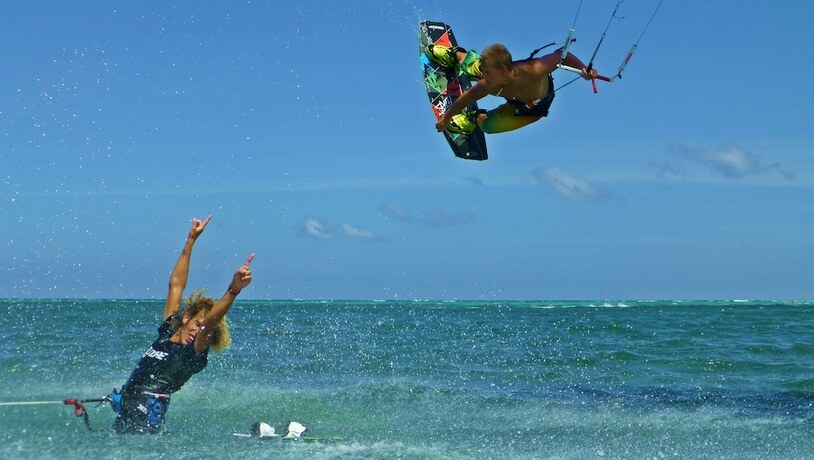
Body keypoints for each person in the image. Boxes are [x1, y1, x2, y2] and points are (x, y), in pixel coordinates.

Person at [111, 215, 254, 434]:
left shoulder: (194, 351)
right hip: (126, 411)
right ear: (186, 318)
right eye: (197, 324)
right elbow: (176, 285)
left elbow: (211, 321)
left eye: (205, 330)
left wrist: (233, 290)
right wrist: (191, 239)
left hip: (146, 423)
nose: (199, 331)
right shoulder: (168, 330)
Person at [427, 43, 598, 135]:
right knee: (474, 68)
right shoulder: (489, 82)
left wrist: (584, 68)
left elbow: (563, 55)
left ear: (503, 69)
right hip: (510, 93)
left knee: (488, 126)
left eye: (488, 72)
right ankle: (455, 55)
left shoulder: (534, 69)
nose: (484, 76)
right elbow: (466, 98)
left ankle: (473, 119)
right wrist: (445, 119)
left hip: (529, 111)